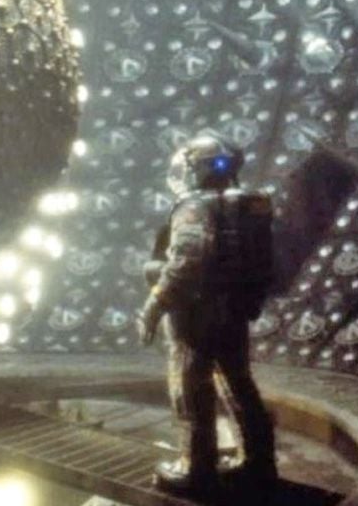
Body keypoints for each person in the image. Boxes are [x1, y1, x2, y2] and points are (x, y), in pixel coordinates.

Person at [138, 132, 278, 496]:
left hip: (195, 315)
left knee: (189, 387)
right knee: (239, 384)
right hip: (234, 311)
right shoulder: (249, 205)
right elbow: (265, 264)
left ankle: (196, 470)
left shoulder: (193, 206)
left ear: (197, 168)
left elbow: (186, 262)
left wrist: (154, 305)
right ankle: (258, 463)